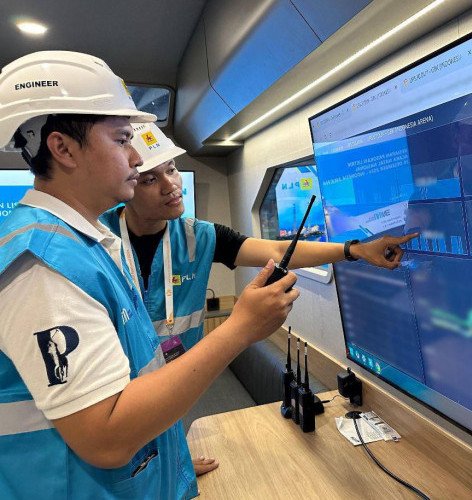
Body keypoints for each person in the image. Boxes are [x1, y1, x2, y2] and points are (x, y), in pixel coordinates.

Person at [0, 51, 298, 499]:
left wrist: (173, 461)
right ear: (62, 149)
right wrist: (240, 328)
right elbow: (106, 437)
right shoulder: (44, 266)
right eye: (122, 140)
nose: (137, 157)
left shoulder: (88, 243)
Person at [101, 121, 417, 355]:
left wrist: (356, 250)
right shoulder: (96, 238)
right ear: (126, 186)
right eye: (149, 180)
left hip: (176, 386)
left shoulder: (199, 236)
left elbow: (279, 250)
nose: (170, 185)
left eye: (171, 170)